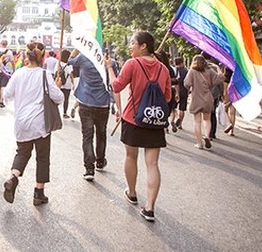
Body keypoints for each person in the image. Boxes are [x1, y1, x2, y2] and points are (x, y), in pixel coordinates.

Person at [108, 31, 171, 222]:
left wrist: (110, 68)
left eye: (133, 43)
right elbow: (167, 97)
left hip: (133, 119)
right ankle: (150, 207)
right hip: (155, 121)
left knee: (130, 156)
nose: (130, 46)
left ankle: (132, 192)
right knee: (152, 164)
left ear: (143, 46)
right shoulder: (163, 69)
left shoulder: (131, 64)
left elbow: (116, 86)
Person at [2, 42, 64, 206]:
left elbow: (6, 94)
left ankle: (13, 178)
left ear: (26, 57)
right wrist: (57, 87)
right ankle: (38, 193)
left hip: (21, 122)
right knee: (42, 157)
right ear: (42, 57)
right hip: (40, 124)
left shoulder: (18, 74)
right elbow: (58, 98)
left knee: (22, 153)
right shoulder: (44, 75)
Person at [68, 47, 110, 181]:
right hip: (103, 103)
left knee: (87, 136)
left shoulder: (83, 58)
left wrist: (77, 48)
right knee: (101, 134)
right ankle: (100, 161)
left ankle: (89, 168)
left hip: (85, 102)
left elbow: (69, 60)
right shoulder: (107, 62)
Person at [184, 54, 224, 150]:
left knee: (197, 122)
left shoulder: (192, 71)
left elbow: (186, 83)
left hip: (196, 98)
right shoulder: (210, 71)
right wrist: (218, 68)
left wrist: (191, 88)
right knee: (207, 120)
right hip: (208, 98)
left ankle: (199, 143)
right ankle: (207, 136)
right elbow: (219, 80)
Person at [0, 39, 14, 108]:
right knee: (3, 86)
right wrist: (14, 70)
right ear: (6, 44)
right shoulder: (9, 52)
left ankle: (0, 99)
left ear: (0, 44)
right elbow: (12, 61)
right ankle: (1, 99)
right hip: (6, 71)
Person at [58, 49, 74, 118]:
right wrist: (74, 84)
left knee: (56, 98)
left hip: (59, 83)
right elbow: (71, 75)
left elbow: (56, 72)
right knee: (66, 99)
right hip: (67, 84)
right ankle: (64, 113)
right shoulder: (69, 65)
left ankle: (55, 111)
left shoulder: (58, 63)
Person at [174, 57, 189, 130]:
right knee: (182, 109)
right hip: (184, 91)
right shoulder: (186, 71)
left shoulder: (175, 70)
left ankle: (175, 118)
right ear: (182, 63)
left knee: (173, 108)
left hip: (175, 90)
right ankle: (180, 123)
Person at [222, 67, 236, 135]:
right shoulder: (236, 79)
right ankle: (232, 131)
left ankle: (229, 123)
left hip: (227, 95)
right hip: (235, 95)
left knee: (225, 111)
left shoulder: (225, 79)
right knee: (233, 113)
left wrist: (223, 96)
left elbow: (224, 90)